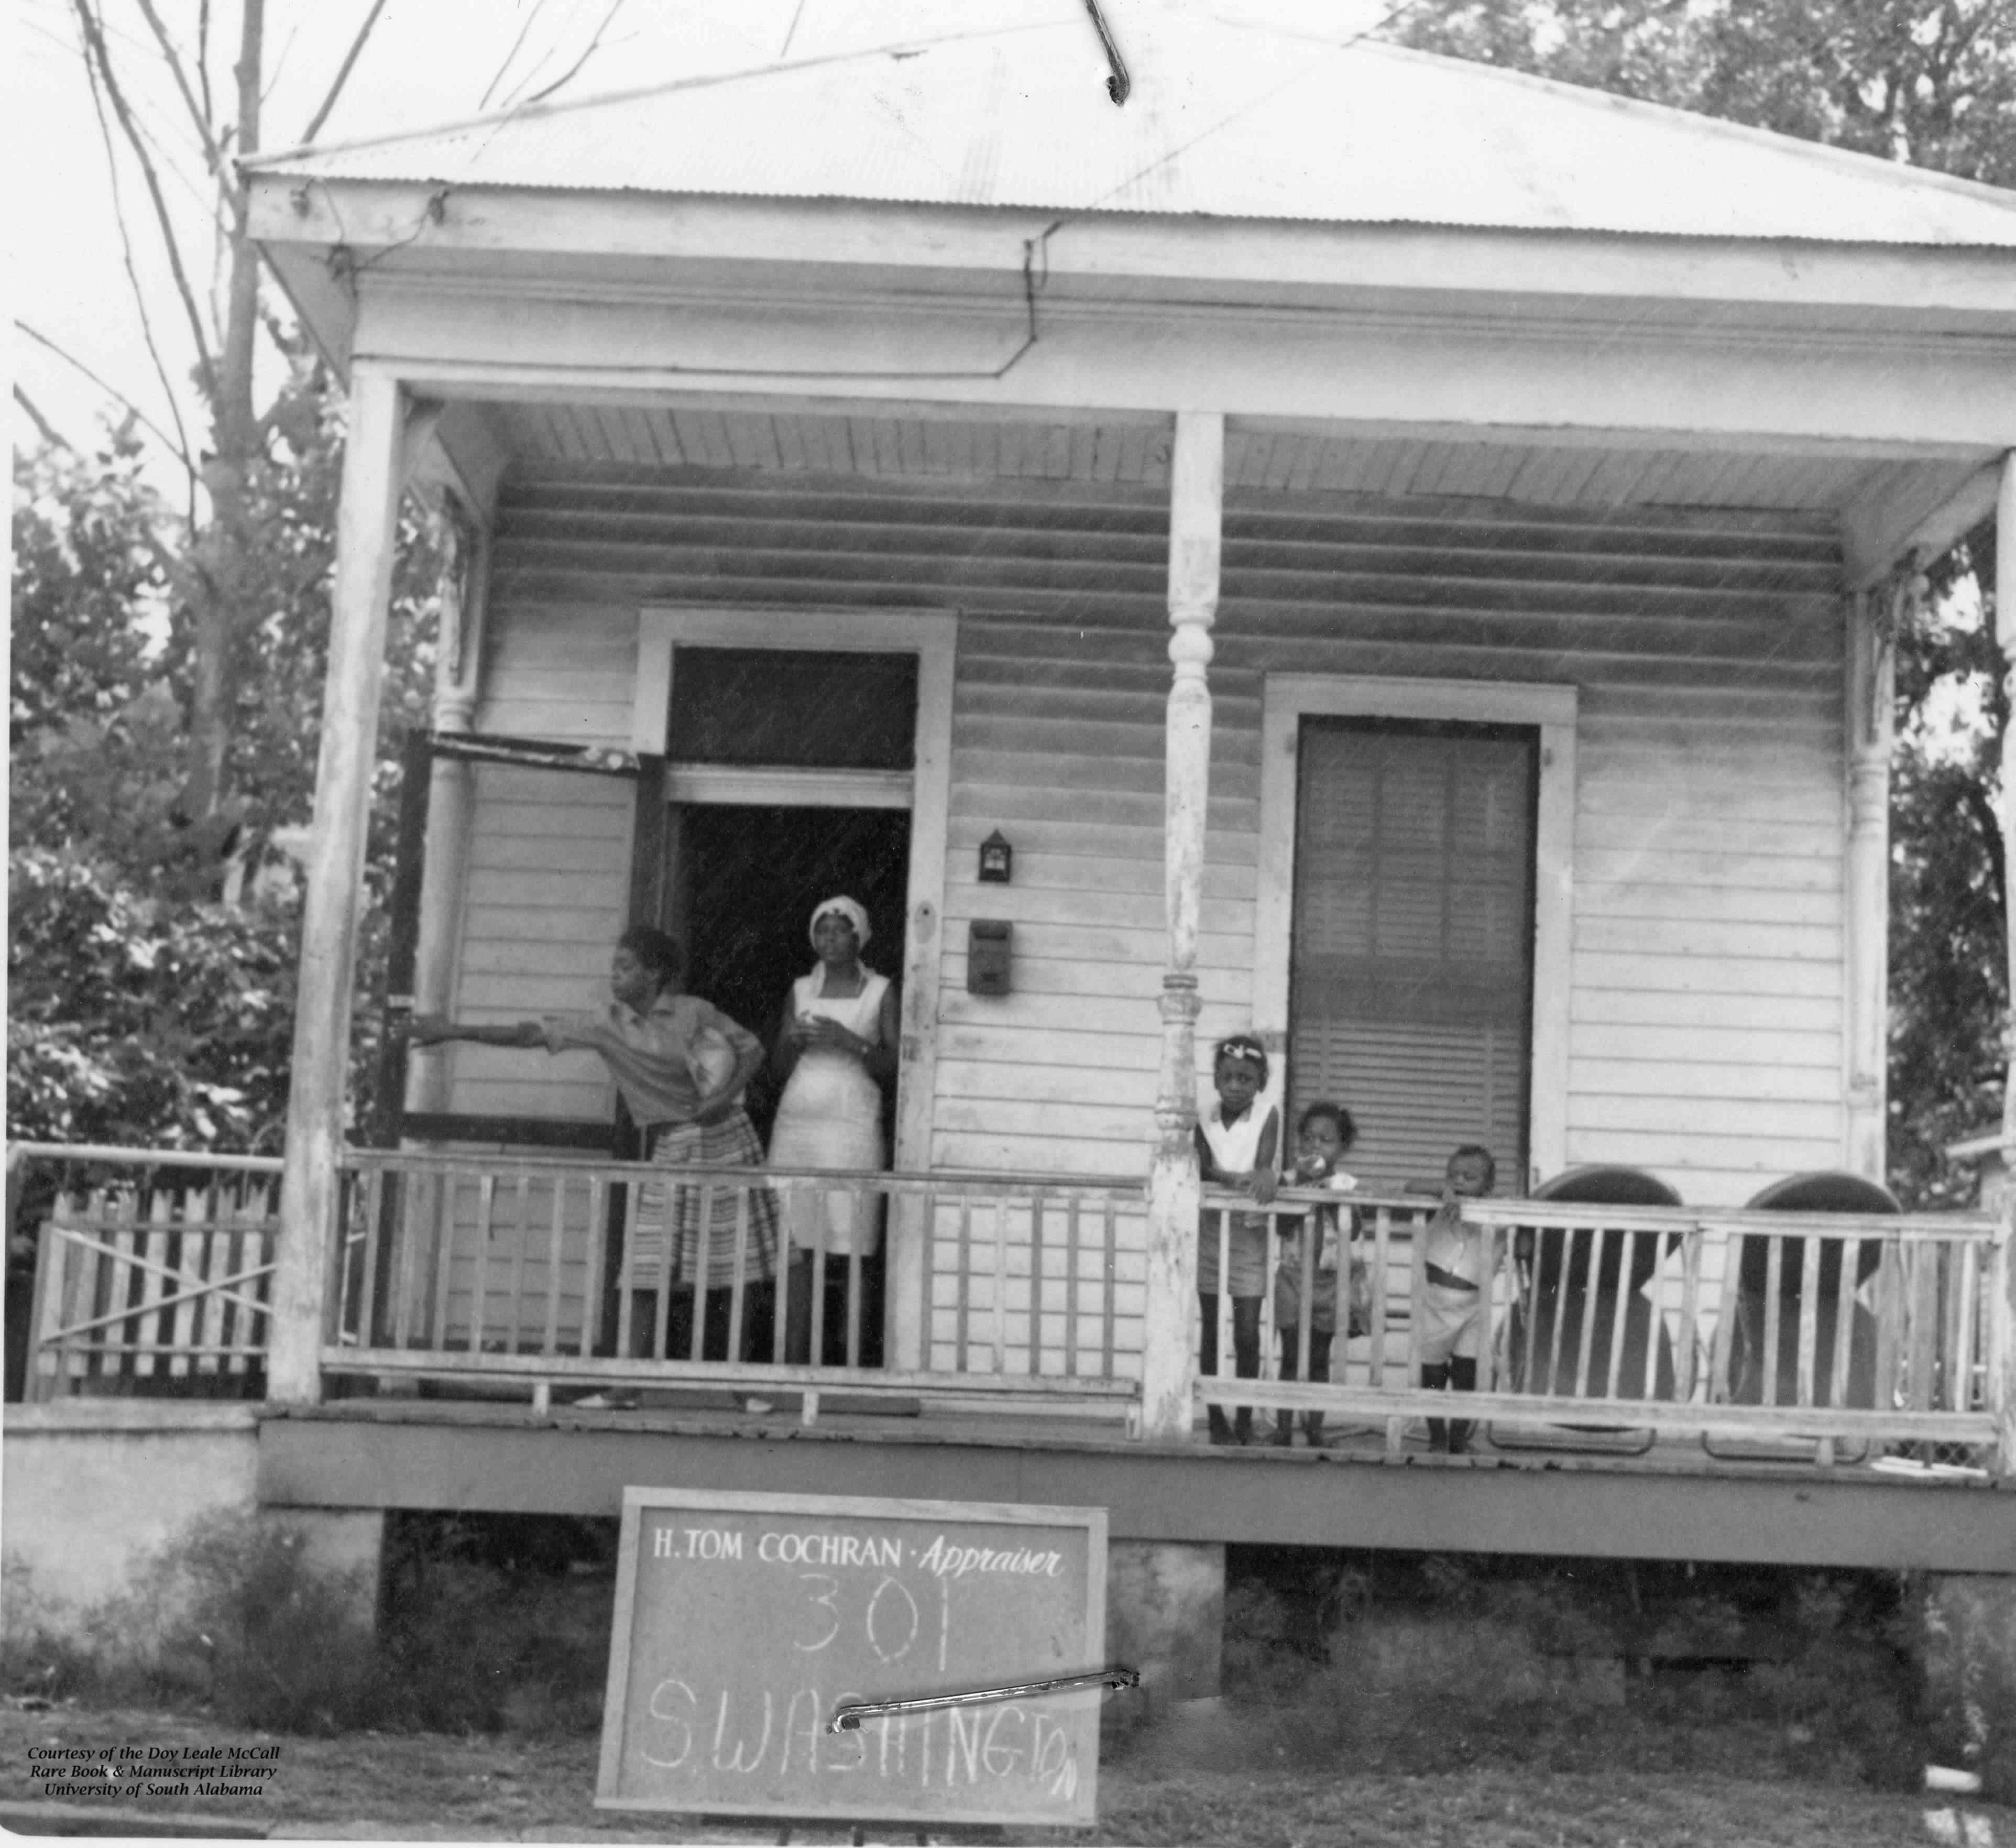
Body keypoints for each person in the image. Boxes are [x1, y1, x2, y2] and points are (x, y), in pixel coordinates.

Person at [410, 925, 777, 1364]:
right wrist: (453, 1030)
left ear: (655, 973)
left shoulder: (694, 1011)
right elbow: (530, 1034)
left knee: (734, 1266)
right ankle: (626, 1385)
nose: (614, 976)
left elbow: (752, 1049)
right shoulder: (606, 1024)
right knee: (647, 1266)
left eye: (625, 967)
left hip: (725, 1138)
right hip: (670, 1144)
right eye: (613, 967)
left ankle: (743, 1390)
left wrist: (721, 1096)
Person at [767, 896, 900, 1366]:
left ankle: (849, 1360)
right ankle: (792, 1357)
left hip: (853, 1122)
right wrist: (791, 1040)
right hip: (799, 1120)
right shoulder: (801, 989)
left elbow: (896, 1065)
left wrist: (851, 1042)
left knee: (853, 1240)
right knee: (798, 1244)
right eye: (822, 930)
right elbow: (778, 1065)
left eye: (840, 930)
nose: (830, 939)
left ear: (858, 936)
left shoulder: (880, 990)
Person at [1196, 1035, 1279, 1446]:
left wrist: (1263, 1174)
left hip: (1248, 1230)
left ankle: (1245, 1417)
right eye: (1228, 1077)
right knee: (1210, 1326)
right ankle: (1216, 1418)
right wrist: (1233, 1179)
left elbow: (1262, 1165)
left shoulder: (1267, 1114)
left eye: (1245, 1078)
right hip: (1210, 1228)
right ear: (1216, 1079)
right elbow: (1203, 1167)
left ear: (1260, 1082)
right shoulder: (1203, 1116)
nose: (1235, 1085)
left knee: (1246, 1330)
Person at [1269, 1101, 1366, 1449]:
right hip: (1294, 1277)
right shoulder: (1290, 1179)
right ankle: (1282, 1427)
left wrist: (1330, 1197)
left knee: (1319, 1357)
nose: (1315, 1146)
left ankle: (1313, 1427)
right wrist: (1303, 1191)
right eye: (1308, 1138)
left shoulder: (1345, 1183)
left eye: (1325, 1140)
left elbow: (1353, 1228)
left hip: (1328, 1281)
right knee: (1292, 1355)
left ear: (1342, 1147)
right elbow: (1281, 1225)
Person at [1415, 1143, 1497, 1453]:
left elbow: (1524, 1213)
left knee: (1467, 1372)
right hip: (1436, 1303)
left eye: (1470, 1177)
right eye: (1454, 1176)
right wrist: (1442, 1190)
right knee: (1433, 1373)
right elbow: (1410, 1187)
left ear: (1487, 1186)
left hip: (1473, 1307)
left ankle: (1458, 1436)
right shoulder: (1439, 1206)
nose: (1460, 1182)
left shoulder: (1494, 1217)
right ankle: (1437, 1433)